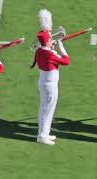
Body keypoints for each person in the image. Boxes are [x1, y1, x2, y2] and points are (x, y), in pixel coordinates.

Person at [30, 9, 70, 145]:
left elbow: (48, 50)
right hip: (49, 84)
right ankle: (42, 136)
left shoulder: (40, 50)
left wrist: (53, 45)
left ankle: (44, 133)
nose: (52, 40)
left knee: (46, 108)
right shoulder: (50, 54)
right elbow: (66, 60)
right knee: (47, 109)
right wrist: (60, 45)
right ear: (47, 41)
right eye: (51, 39)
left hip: (44, 82)